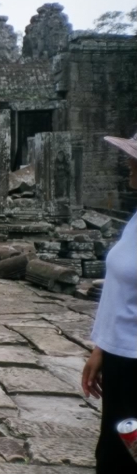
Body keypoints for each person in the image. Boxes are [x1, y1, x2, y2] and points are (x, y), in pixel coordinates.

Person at [82, 130, 137, 473]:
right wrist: (102, 347)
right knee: (113, 455)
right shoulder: (134, 220)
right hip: (121, 357)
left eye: (134, 160)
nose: (128, 165)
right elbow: (123, 288)